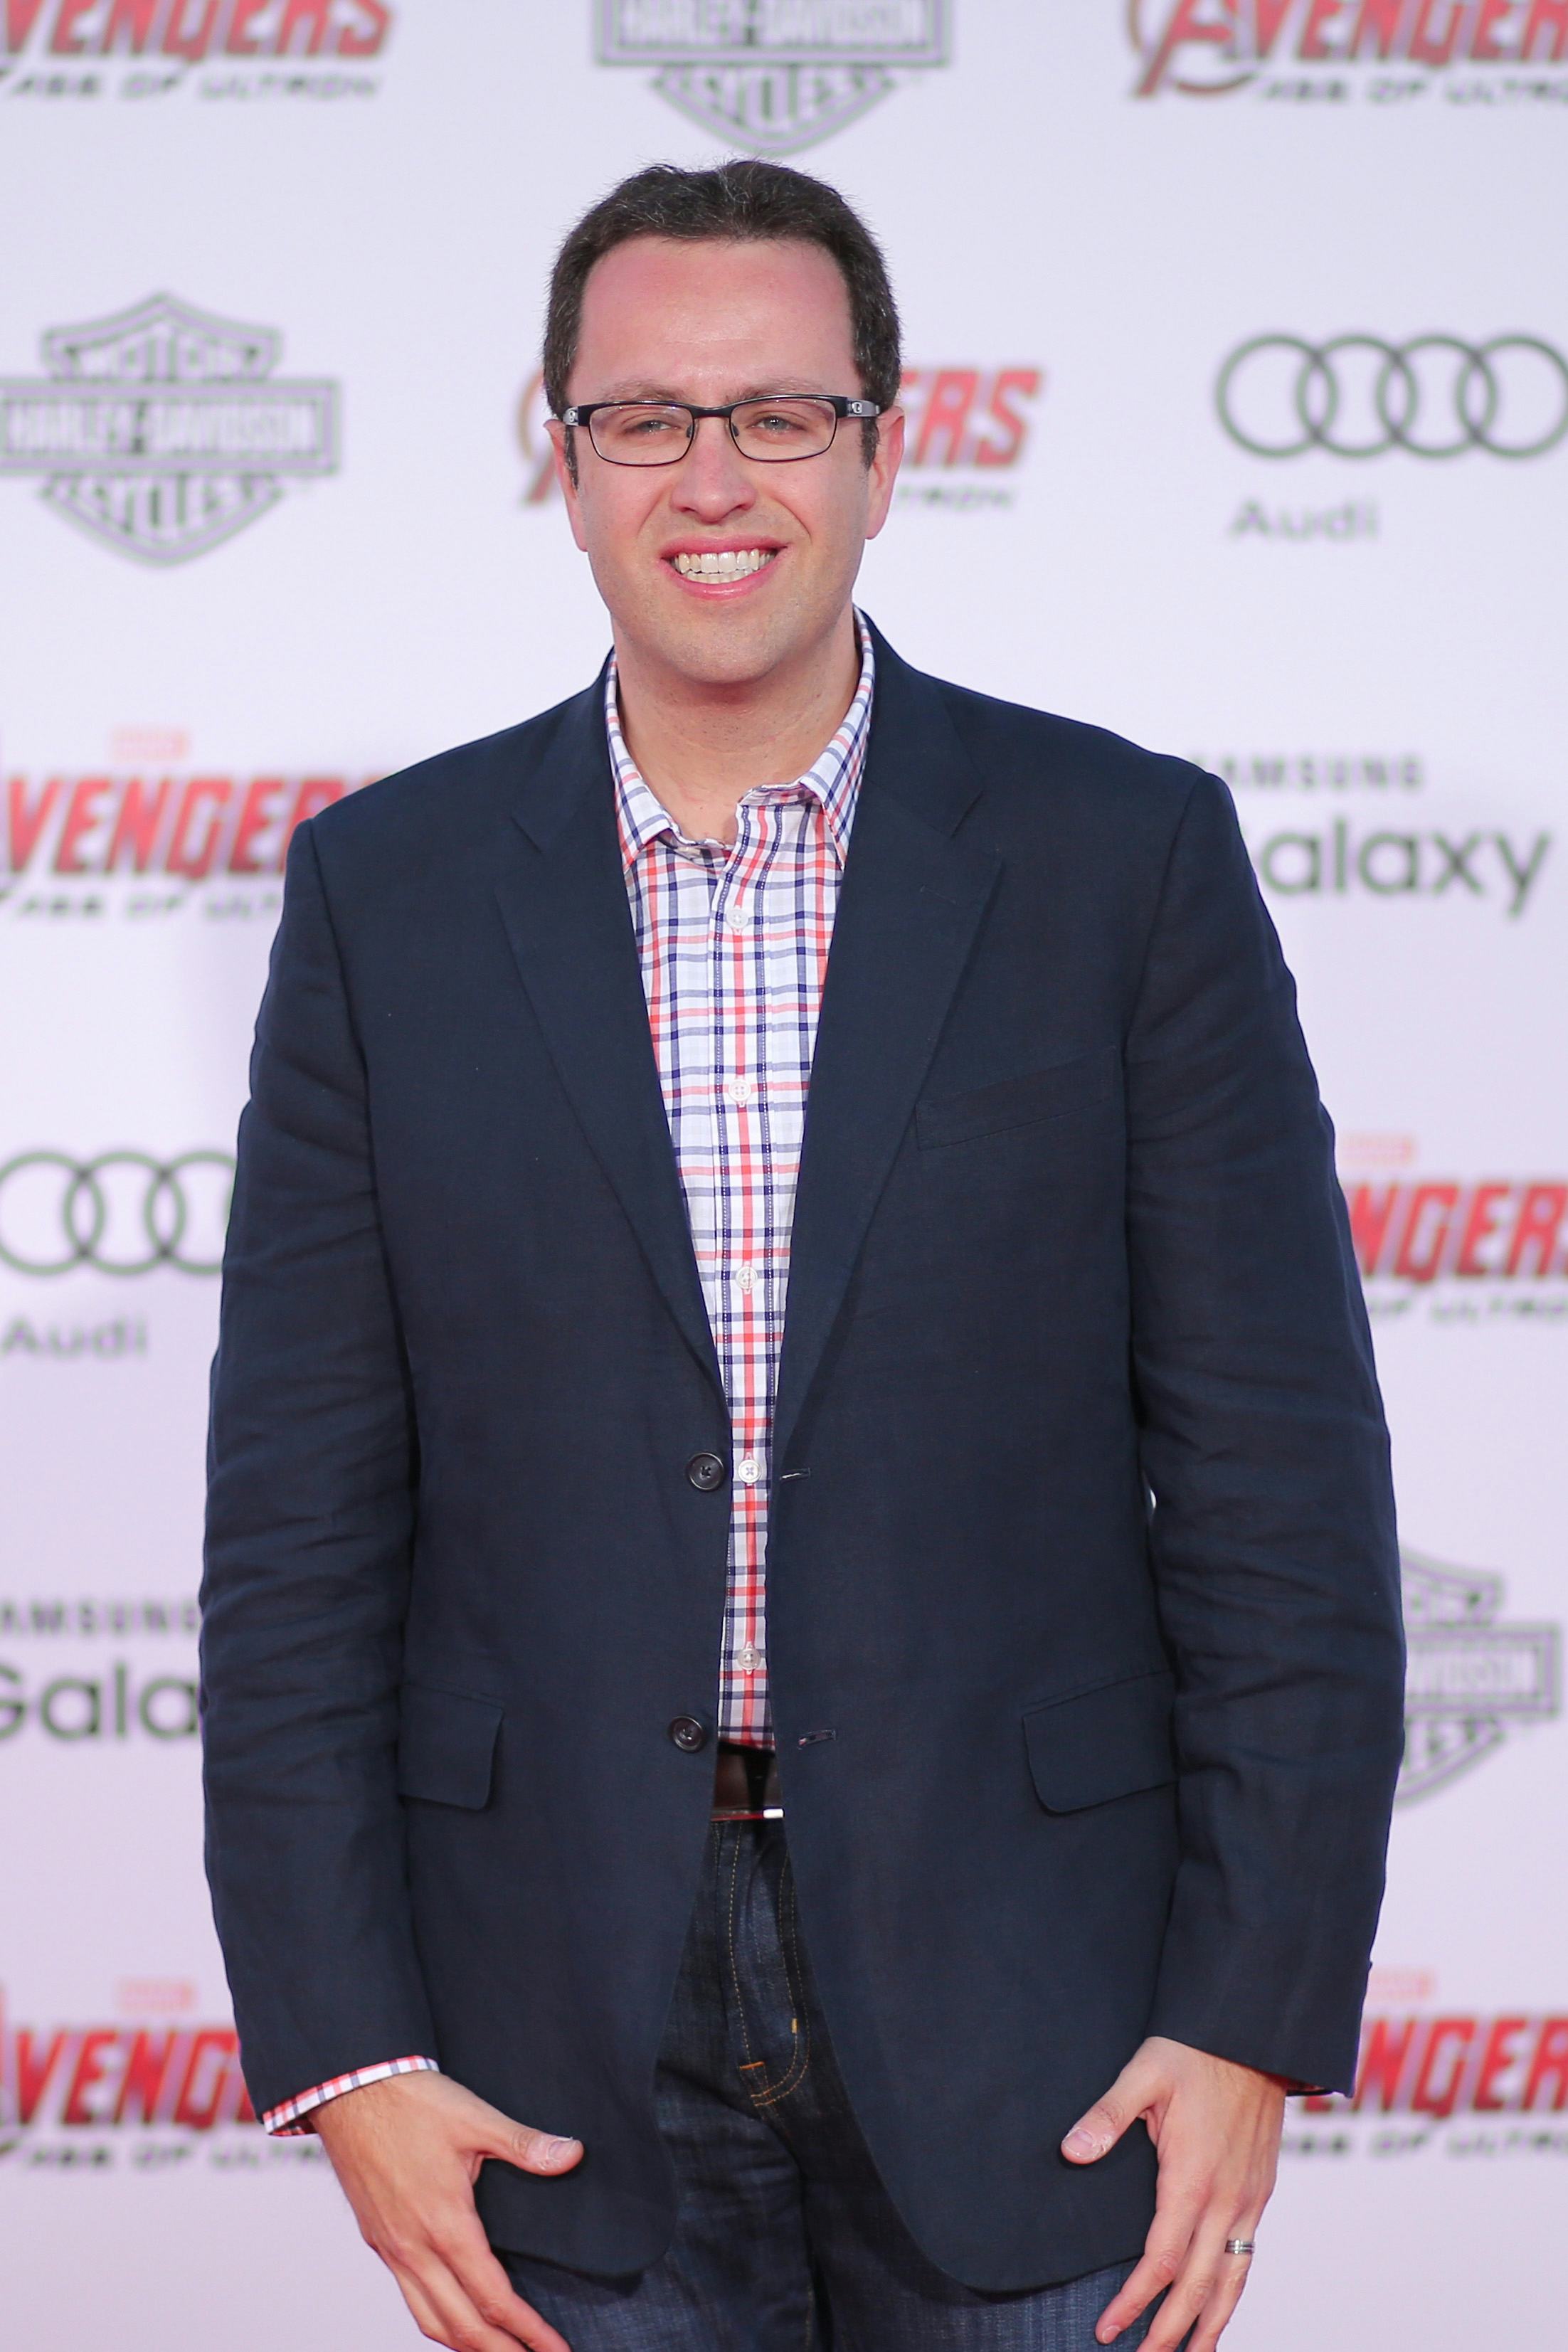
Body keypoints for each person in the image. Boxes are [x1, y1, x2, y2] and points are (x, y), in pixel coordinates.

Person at [201, 159, 1406, 2352]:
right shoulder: (385, 894)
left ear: (882, 450)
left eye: (776, 415)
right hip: (545, 2026)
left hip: (1046, 2012)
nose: (711, 478)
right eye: (642, 418)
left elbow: (1280, 1493)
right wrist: (343, 2048)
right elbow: (295, 1533)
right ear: (561, 461)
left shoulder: (1120, 859)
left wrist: (1251, 2011)